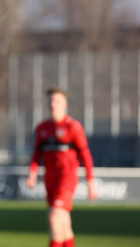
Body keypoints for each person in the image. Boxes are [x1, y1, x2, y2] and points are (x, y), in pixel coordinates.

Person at [27, 87, 98, 247]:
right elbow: (37, 153)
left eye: (57, 101)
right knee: (64, 225)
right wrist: (32, 172)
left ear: (64, 104)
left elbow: (85, 154)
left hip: (67, 179)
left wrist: (91, 181)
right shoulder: (42, 128)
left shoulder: (73, 127)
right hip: (50, 180)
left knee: (54, 217)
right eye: (51, 101)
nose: (53, 104)